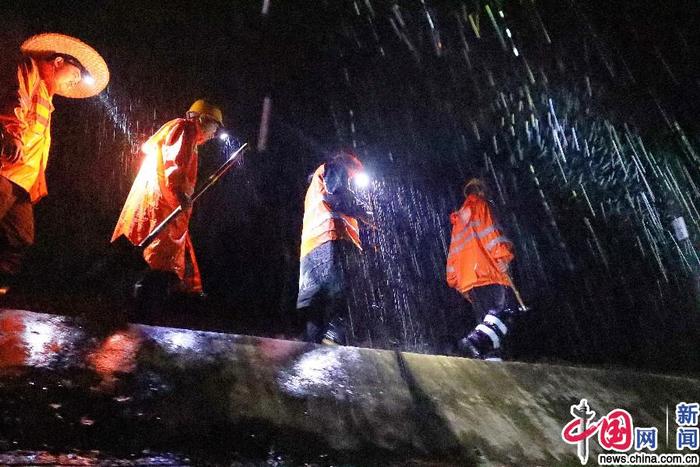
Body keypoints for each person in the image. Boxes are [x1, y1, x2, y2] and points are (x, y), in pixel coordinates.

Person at [0, 33, 109, 293]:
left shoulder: (47, 98)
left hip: (23, 181)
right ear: (59, 61)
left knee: (20, 239)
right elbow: (14, 101)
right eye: (76, 73)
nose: (76, 80)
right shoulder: (28, 70)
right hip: (4, 170)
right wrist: (12, 134)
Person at [111, 99, 223, 297]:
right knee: (157, 257)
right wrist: (181, 195)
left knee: (151, 255)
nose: (214, 134)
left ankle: (135, 301)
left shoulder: (184, 133)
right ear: (204, 120)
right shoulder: (185, 129)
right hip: (161, 205)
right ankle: (145, 306)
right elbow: (175, 164)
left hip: (161, 204)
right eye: (215, 126)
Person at [297, 150, 372, 345]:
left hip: (312, 248)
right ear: (350, 165)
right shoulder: (336, 167)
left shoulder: (315, 184)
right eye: (354, 173)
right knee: (341, 291)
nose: (353, 178)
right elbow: (336, 197)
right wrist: (366, 214)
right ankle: (334, 335)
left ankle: (311, 345)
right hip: (333, 239)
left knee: (316, 304)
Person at [446, 178, 519, 361]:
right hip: (488, 273)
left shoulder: (459, 221)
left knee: (485, 321)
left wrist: (455, 279)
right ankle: (472, 342)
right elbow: (491, 234)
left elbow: (453, 253)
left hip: (470, 280)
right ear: (481, 191)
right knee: (502, 314)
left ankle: (490, 359)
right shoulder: (480, 206)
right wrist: (503, 257)